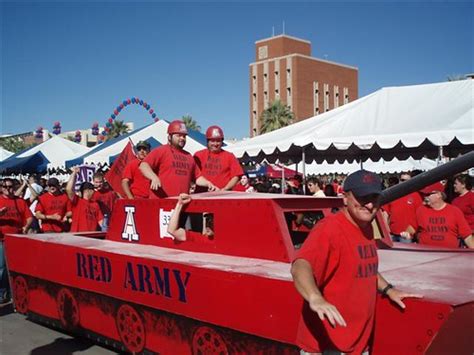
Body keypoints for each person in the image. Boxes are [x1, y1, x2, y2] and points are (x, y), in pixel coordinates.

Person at [291, 170, 421, 354]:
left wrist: (388, 289)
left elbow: (365, 267)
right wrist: (315, 298)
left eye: (374, 198)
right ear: (345, 198)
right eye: (362, 198)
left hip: (356, 343)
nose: (369, 205)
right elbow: (300, 265)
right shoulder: (329, 229)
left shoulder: (366, 227)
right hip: (329, 346)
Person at [139, 120, 217, 198]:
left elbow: (197, 177)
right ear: (169, 136)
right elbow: (143, 165)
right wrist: (154, 177)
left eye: (184, 136)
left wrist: (208, 183)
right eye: (178, 135)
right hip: (161, 203)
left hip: (182, 202)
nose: (182, 138)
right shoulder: (161, 150)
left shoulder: (189, 156)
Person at [0, 178, 33, 304]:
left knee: (16, 267)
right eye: (5, 187)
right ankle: (3, 292)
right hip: (2, 239)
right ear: (2, 188)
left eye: (10, 186)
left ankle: (15, 292)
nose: (8, 189)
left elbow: (29, 216)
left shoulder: (19, 201)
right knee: (2, 268)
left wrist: (26, 226)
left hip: (16, 239)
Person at [411, 182, 472, 248]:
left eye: (428, 194)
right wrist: (407, 233)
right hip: (426, 253)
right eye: (424, 194)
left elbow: (467, 235)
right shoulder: (421, 210)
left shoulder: (454, 211)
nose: (425, 197)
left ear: (439, 195)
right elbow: (412, 227)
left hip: (448, 254)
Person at [194, 125, 243, 191]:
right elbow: (194, 175)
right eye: (212, 141)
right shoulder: (199, 155)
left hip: (223, 196)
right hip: (202, 194)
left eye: (218, 141)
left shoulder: (230, 156)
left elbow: (236, 176)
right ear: (207, 141)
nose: (215, 144)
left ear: (222, 142)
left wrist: (226, 188)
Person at [383, 172, 423, 242]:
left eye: (407, 180)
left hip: (407, 235)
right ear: (399, 180)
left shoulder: (416, 196)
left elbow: (420, 216)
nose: (404, 182)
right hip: (393, 234)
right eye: (402, 180)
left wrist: (412, 232)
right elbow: (385, 213)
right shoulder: (393, 194)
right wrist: (386, 231)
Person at [66, 167, 104, 232]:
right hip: (78, 236)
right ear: (89, 191)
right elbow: (69, 189)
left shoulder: (95, 204)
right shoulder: (77, 201)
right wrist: (74, 173)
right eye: (93, 190)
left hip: (91, 236)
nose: (94, 192)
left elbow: (101, 221)